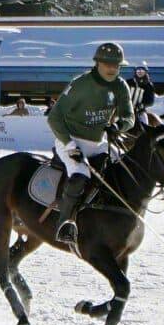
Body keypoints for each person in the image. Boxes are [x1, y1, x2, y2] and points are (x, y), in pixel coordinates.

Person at [41, 41, 141, 249]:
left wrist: (120, 125)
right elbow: (54, 118)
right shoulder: (81, 84)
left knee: (124, 171)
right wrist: (69, 145)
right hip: (70, 139)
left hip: (99, 142)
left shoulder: (120, 85)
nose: (113, 68)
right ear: (97, 63)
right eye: (108, 64)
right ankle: (64, 224)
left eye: (117, 65)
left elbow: (129, 116)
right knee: (79, 177)